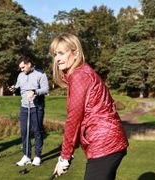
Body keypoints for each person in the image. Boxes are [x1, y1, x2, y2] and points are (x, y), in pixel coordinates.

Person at [50, 33, 128, 180]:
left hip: (105, 144)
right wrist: (69, 152)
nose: (57, 59)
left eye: (61, 53)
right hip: (110, 142)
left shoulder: (79, 76)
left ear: (76, 53)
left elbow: (74, 119)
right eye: (55, 54)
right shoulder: (82, 73)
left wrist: (64, 156)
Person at [9, 56, 49, 166]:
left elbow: (46, 89)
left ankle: (37, 156)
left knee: (37, 131)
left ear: (29, 64)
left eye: (23, 67)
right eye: (20, 68)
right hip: (24, 107)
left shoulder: (41, 74)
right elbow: (18, 87)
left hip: (36, 107)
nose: (21, 70)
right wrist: (14, 88)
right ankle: (26, 156)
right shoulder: (21, 75)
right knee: (24, 131)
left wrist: (34, 91)